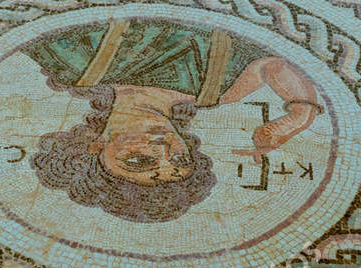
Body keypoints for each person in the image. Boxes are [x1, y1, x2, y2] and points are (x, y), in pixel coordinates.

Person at [24, 18, 324, 223]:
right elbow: (274, 64)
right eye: (180, 158)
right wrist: (300, 116)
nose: (164, 150)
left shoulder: (73, 66)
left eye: (140, 161)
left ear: (95, 146)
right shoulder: (218, 90)